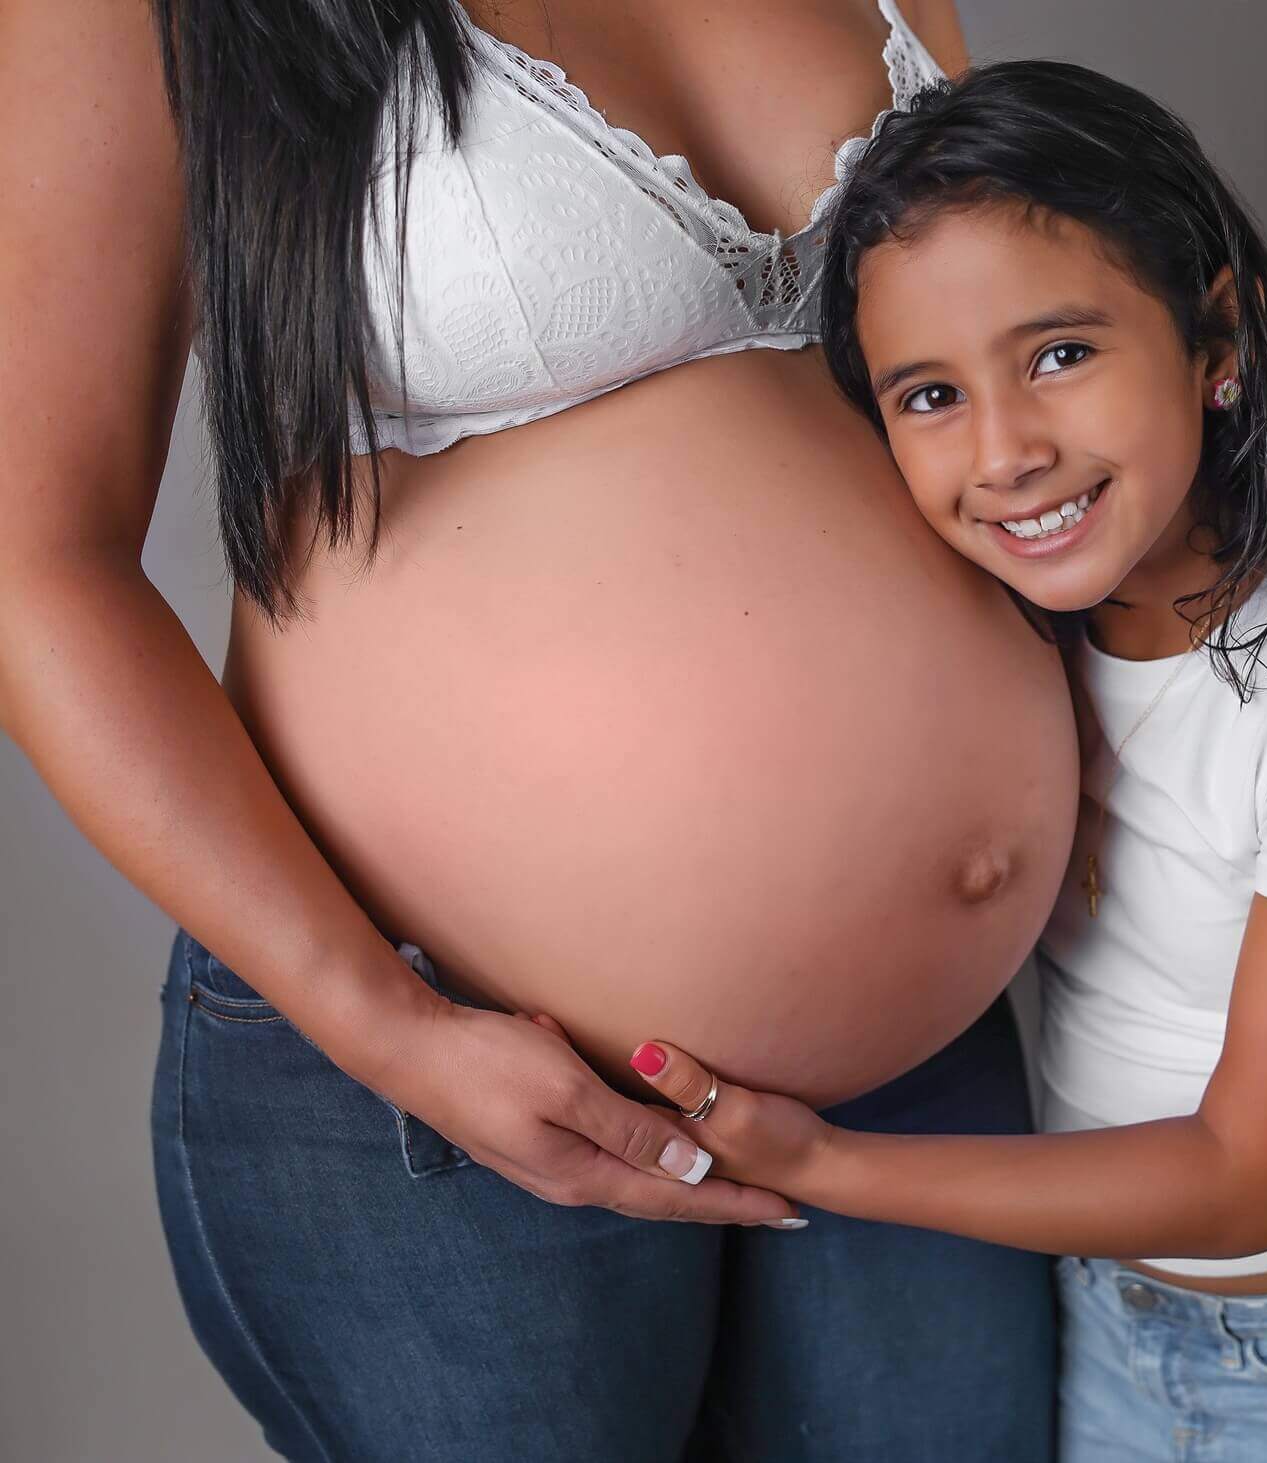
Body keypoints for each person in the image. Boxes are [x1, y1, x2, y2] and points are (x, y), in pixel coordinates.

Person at [0, 3, 1070, 1458]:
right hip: (454, 1060)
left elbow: (1051, 392)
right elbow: (32, 564)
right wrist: (395, 1032)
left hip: (920, 1059)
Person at [606, 61, 1267, 1462]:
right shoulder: (1010, 642)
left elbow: (1253, 1183)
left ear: (1216, 339)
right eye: (930, 394)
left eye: (1061, 354)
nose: (1006, 452)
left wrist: (828, 1168)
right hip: (1111, 1310)